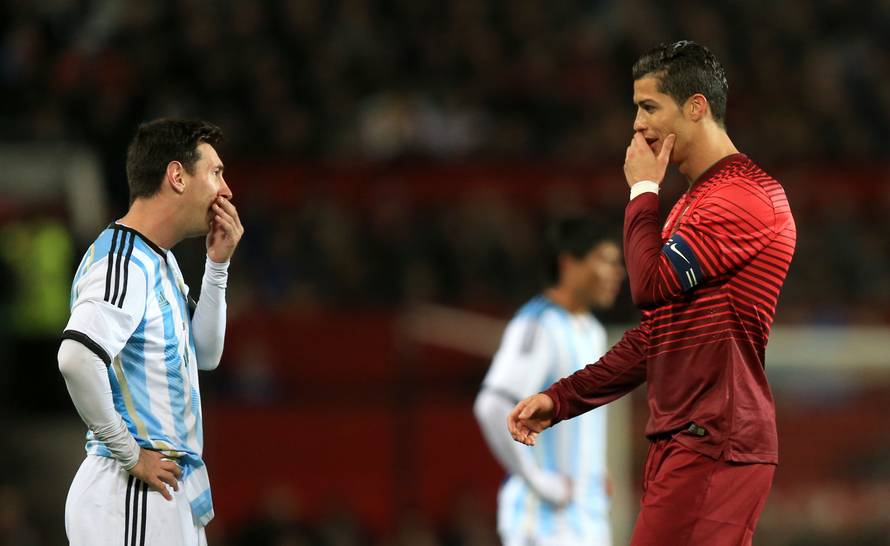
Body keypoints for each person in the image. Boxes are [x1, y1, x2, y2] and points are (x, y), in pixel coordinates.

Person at [508, 40, 797, 546]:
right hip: (691, 436)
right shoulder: (696, 202)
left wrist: (642, 191)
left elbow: (647, 286)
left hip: (716, 437)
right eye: (635, 109)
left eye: (648, 107)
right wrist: (562, 399)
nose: (637, 125)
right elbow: (655, 336)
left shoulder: (744, 196)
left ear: (696, 107)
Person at [58, 119, 244, 545]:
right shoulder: (122, 261)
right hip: (132, 491)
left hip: (160, 487)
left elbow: (207, 355)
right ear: (177, 176)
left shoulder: (158, 260)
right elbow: (76, 357)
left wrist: (217, 267)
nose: (226, 190)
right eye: (215, 173)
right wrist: (130, 454)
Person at [475, 217, 626, 546]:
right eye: (606, 260)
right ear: (569, 263)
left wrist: (592, 471)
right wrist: (538, 481)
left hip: (585, 520)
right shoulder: (538, 325)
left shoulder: (592, 331)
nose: (618, 273)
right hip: (544, 524)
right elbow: (491, 405)